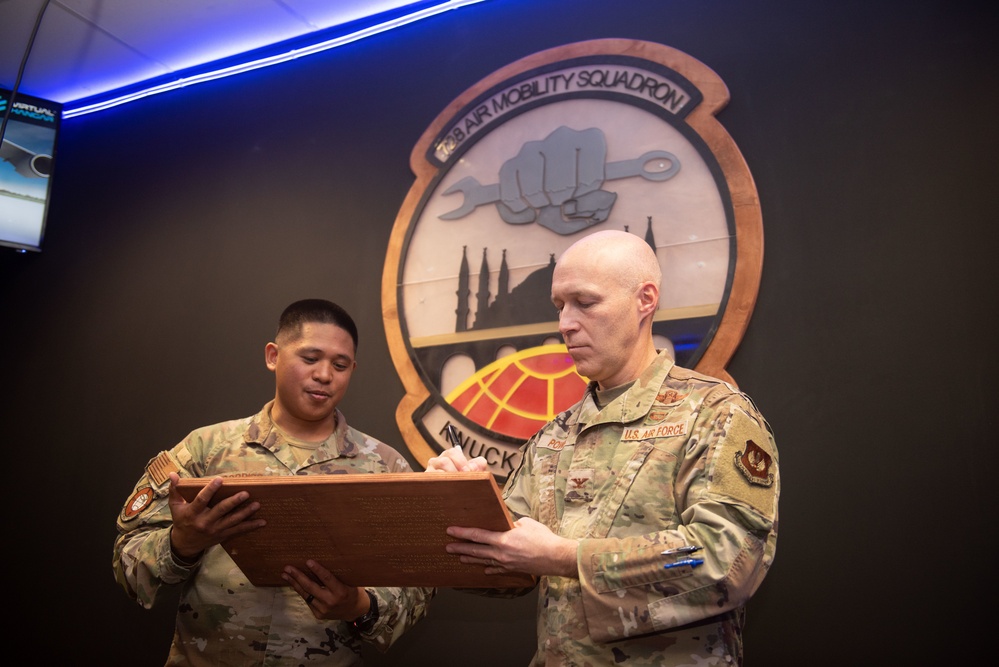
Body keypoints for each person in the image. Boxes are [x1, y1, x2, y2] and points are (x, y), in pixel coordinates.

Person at [427, 230, 779, 665]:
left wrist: (567, 558)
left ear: (645, 299)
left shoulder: (714, 415)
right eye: (559, 306)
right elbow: (509, 570)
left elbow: (729, 560)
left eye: (586, 303)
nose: (565, 323)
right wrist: (462, 506)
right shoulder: (553, 436)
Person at [113, 299, 434, 665]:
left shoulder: (384, 468)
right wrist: (182, 544)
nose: (325, 375)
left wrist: (360, 606)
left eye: (340, 365)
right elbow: (128, 564)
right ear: (272, 356)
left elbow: (419, 583)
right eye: (310, 359)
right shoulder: (205, 451)